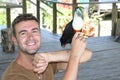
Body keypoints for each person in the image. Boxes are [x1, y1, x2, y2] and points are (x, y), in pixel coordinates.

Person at [1, 14, 92, 80]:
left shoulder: (44, 62)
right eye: (23, 33)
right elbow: (76, 56)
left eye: (34, 31)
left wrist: (49, 57)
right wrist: (74, 56)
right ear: (15, 40)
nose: (31, 37)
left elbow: (87, 54)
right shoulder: (13, 76)